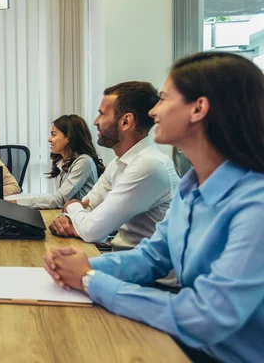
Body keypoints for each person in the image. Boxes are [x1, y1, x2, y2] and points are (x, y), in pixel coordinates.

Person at [44, 52, 264, 363]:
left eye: (163, 99)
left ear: (199, 108)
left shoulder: (256, 204)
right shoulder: (191, 188)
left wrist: (90, 279)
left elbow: (206, 317)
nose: (154, 111)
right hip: (189, 344)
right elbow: (153, 257)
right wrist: (80, 267)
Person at [49, 82, 179, 251]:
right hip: (122, 261)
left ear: (126, 122)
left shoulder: (149, 165)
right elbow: (89, 207)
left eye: (102, 114)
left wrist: (71, 206)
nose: (96, 122)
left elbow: (91, 230)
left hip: (145, 274)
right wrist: (69, 216)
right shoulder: (119, 163)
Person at [16, 114, 104, 209]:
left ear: (68, 138)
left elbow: (60, 199)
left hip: (81, 219)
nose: (49, 139)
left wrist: (17, 203)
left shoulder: (84, 162)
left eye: (53, 134)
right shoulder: (62, 162)